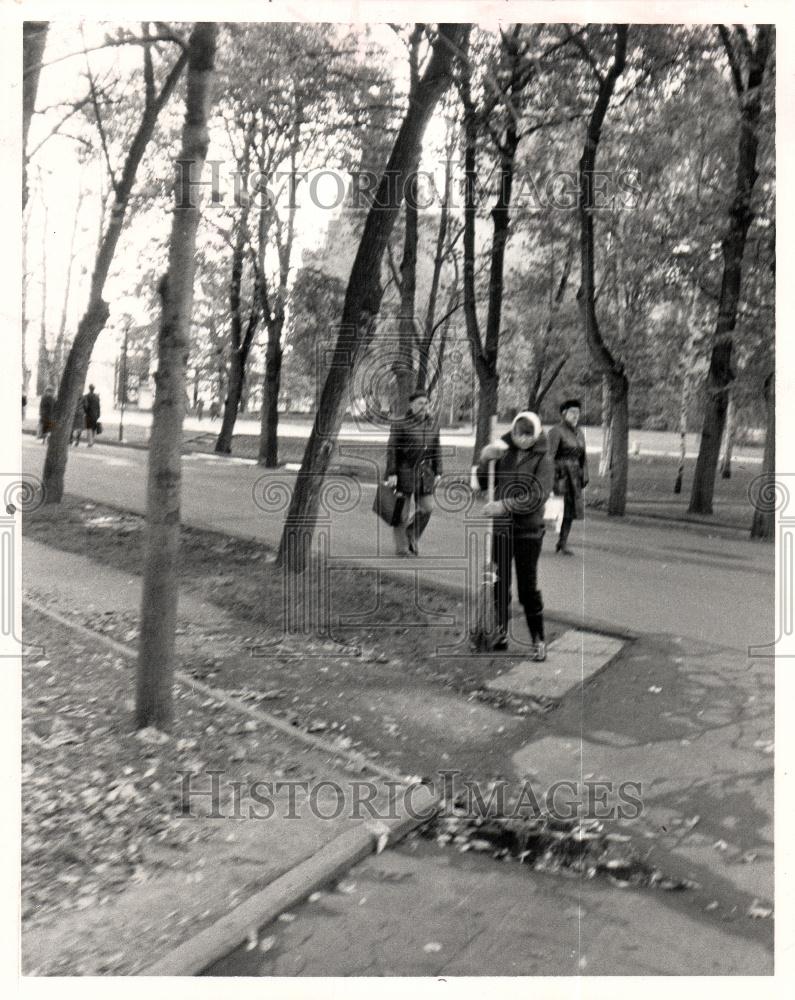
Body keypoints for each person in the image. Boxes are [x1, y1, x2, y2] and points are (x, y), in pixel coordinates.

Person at [478, 411, 553, 659]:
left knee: (527, 589)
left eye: (529, 436)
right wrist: (484, 459)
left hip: (528, 532)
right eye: (520, 435)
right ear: (514, 432)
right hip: (501, 529)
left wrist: (504, 505)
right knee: (499, 584)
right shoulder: (503, 452)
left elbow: (536, 496)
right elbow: (483, 481)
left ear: (537, 433)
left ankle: (538, 639)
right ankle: (499, 634)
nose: (524, 441)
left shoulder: (544, 460)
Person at [385, 391, 442, 556]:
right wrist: (392, 473)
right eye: (420, 403)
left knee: (427, 507)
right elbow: (392, 449)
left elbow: (437, 448)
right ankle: (402, 548)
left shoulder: (433, 423)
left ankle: (411, 534)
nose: (424, 407)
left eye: (426, 403)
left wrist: (438, 471)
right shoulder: (400, 423)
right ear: (411, 405)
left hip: (425, 473)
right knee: (401, 513)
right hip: (403, 472)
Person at [547, 397, 589, 555]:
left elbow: (583, 456)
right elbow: (549, 456)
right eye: (572, 412)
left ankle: (562, 542)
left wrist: (584, 475)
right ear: (564, 413)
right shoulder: (556, 431)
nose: (576, 415)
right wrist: (550, 478)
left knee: (570, 510)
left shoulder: (579, 433)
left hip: (575, 476)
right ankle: (537, 537)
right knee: (553, 509)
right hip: (560, 475)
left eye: (578, 412)